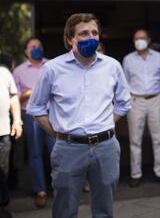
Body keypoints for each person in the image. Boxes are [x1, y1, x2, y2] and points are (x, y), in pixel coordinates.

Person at [27, 13, 131, 218]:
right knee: (64, 210)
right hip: (68, 148)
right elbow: (36, 108)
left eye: (95, 32)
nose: (91, 37)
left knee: (104, 210)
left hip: (106, 148)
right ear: (70, 39)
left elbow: (124, 103)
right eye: (84, 33)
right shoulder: (52, 69)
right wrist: (57, 134)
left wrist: (106, 124)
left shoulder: (112, 66)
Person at [122, 29, 160, 187]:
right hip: (136, 100)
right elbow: (125, 82)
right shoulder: (128, 59)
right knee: (135, 140)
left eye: (142, 38)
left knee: (158, 138)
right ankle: (135, 174)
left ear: (148, 40)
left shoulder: (158, 57)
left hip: (155, 99)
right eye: (136, 38)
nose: (139, 41)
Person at [12, 37, 54, 208]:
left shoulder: (52, 65)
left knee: (56, 151)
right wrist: (29, 93)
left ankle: (59, 187)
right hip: (30, 115)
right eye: (33, 46)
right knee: (35, 153)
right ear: (26, 51)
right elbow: (14, 97)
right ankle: (40, 190)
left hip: (52, 114)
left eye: (40, 45)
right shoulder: (19, 71)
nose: (37, 48)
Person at [0, 64, 22, 217]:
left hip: (3, 133)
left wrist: (17, 120)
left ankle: (1, 206)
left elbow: (13, 97)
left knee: (2, 171)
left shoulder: (4, 72)